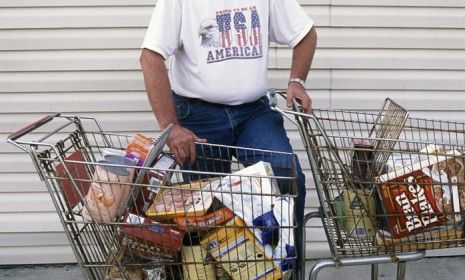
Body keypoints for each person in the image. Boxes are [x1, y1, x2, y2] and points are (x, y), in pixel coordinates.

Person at [140, 0, 317, 275]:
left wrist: (297, 81)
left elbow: (305, 33)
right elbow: (150, 57)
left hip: (254, 113)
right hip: (198, 116)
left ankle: (287, 270)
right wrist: (171, 126)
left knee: (286, 178)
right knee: (208, 210)